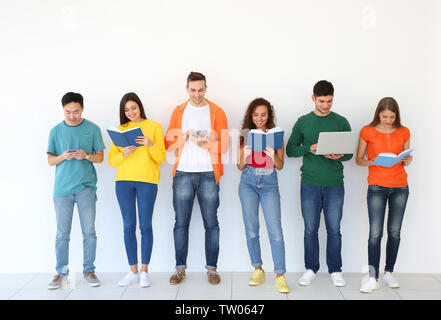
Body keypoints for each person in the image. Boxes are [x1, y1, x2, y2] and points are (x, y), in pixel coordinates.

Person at [164, 72, 229, 285]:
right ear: (187, 89)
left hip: (209, 174)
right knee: (181, 223)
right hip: (182, 173)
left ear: (206, 88)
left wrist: (204, 144)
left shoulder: (217, 112)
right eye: (193, 90)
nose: (197, 94)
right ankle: (179, 269)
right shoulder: (179, 112)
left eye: (201, 90)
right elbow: (169, 146)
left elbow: (225, 147)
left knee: (211, 223)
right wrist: (183, 138)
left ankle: (212, 269)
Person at [286, 80, 352, 287]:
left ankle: (335, 271)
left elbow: (349, 154)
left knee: (334, 229)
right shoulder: (303, 121)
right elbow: (290, 150)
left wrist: (340, 155)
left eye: (330, 101)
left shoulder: (341, 121)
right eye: (322, 101)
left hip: (334, 184)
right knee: (310, 229)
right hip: (310, 184)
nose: (326, 105)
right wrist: (309, 147)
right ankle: (310, 269)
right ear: (313, 98)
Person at [47, 92, 105, 289]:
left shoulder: (93, 129)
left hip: (86, 188)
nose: (72, 116)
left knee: (89, 232)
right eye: (68, 112)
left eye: (76, 112)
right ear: (63, 110)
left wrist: (86, 156)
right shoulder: (55, 131)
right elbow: (50, 161)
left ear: (82, 109)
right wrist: (63, 156)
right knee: (62, 234)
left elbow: (100, 158)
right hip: (62, 190)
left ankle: (89, 271)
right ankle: (61, 273)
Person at [108, 92, 166, 288]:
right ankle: (132, 271)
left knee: (145, 226)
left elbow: (160, 157)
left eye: (133, 107)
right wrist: (123, 153)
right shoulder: (119, 130)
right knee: (128, 226)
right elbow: (111, 160)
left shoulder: (154, 127)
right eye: (126, 110)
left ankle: (144, 271)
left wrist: (149, 144)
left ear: (140, 106)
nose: (131, 112)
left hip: (147, 181)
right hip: (123, 181)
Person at [356, 97, 412, 293]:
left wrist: (407, 160)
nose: (388, 120)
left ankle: (389, 272)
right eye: (385, 116)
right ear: (378, 114)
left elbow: (406, 157)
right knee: (375, 234)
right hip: (377, 186)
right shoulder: (367, 131)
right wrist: (371, 162)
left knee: (394, 232)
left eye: (392, 117)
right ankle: (373, 277)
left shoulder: (404, 132)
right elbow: (359, 160)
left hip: (400, 186)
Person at [237, 98, 290, 293]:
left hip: (269, 183)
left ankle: (280, 274)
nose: (260, 118)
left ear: (269, 116)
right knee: (252, 229)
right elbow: (239, 166)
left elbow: (281, 166)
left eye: (264, 114)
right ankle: (258, 268)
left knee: (275, 230)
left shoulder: (276, 137)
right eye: (256, 114)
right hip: (248, 182)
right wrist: (245, 153)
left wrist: (271, 155)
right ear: (251, 116)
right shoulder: (244, 136)